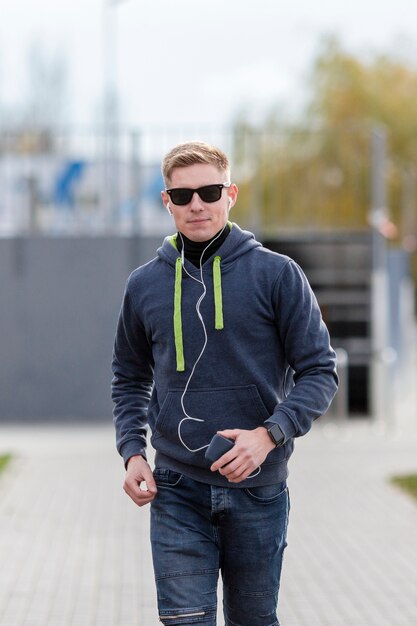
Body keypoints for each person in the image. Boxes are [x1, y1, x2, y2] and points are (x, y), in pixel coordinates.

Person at [111, 141, 338, 626]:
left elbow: (320, 370)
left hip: (258, 487)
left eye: (209, 191)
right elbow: (129, 378)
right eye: (183, 194)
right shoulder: (144, 285)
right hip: (175, 487)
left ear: (230, 194)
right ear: (166, 201)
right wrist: (132, 452)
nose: (197, 204)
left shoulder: (277, 275)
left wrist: (268, 435)